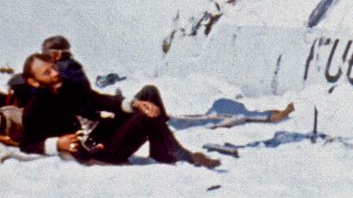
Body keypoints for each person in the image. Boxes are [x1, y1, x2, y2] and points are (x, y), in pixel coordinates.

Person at [20, 52, 219, 168]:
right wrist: (58, 143)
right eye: (47, 72)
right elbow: (27, 145)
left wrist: (134, 104)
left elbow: (100, 100)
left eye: (54, 68)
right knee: (144, 119)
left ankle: (162, 150)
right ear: (33, 81)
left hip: (103, 135)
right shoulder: (35, 107)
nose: (56, 73)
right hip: (97, 153)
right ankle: (178, 154)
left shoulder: (68, 87)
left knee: (148, 95)